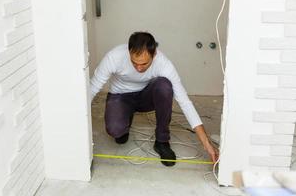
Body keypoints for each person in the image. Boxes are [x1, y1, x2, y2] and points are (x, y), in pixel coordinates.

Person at [90, 32, 218, 166]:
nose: (139, 68)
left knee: (164, 86)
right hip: (121, 96)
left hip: (146, 96)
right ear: (129, 52)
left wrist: (206, 143)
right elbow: (93, 88)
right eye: (134, 63)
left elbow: (185, 101)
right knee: (116, 131)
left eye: (144, 63)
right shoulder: (114, 57)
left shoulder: (163, 63)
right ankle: (124, 121)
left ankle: (162, 141)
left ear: (154, 54)